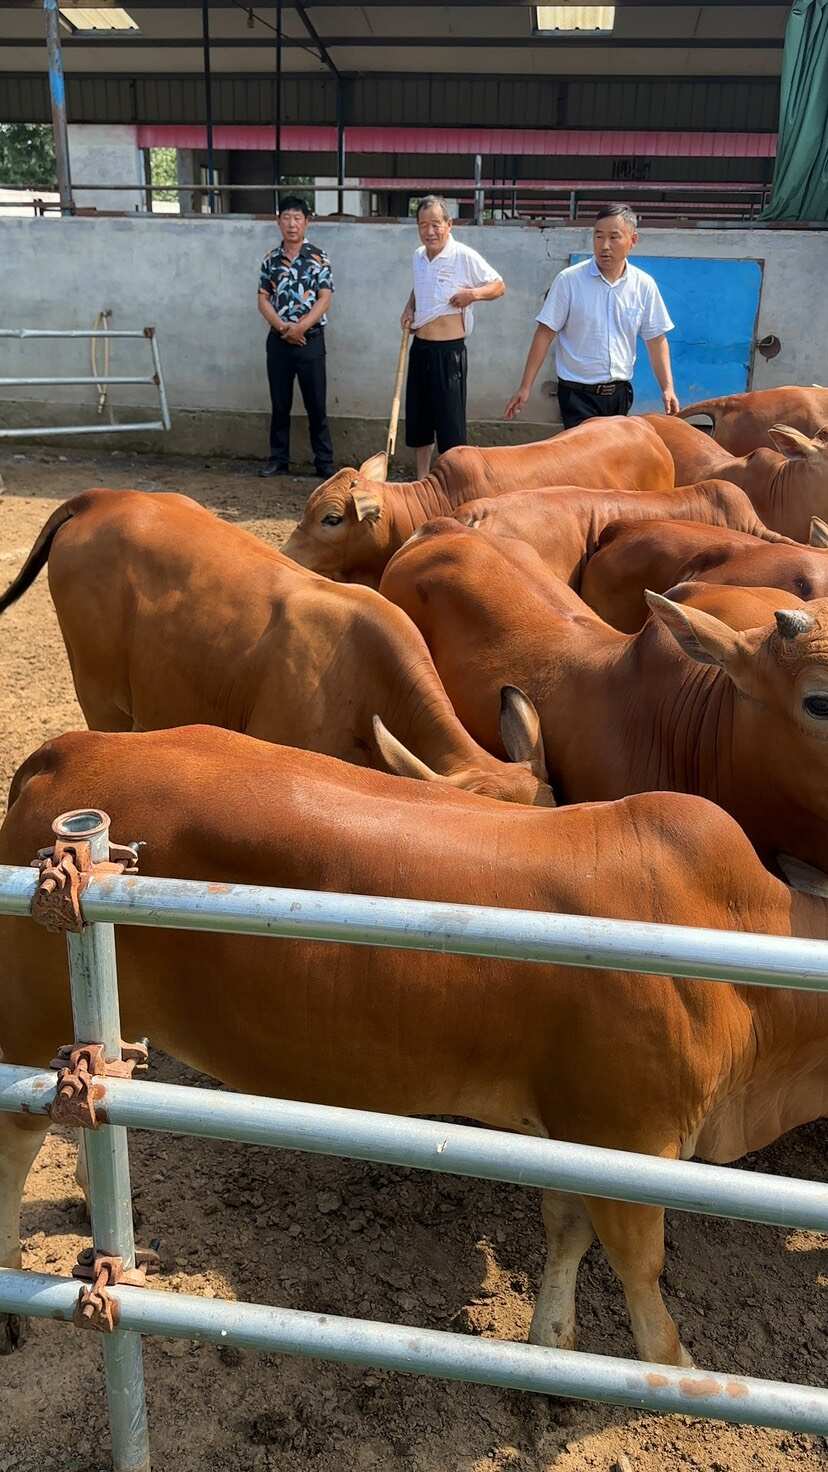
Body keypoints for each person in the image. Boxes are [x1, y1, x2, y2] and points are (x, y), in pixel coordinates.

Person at [504, 203, 679, 431]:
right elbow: (545, 334)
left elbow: (656, 339)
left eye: (614, 237)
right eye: (598, 237)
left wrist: (667, 388)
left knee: (615, 461)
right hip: (578, 396)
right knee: (582, 461)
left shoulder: (643, 285)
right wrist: (525, 387)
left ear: (632, 240)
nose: (604, 246)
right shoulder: (569, 281)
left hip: (619, 395)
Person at [401, 195, 505, 480]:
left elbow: (498, 285)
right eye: (424, 225)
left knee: (450, 423)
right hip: (420, 347)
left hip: (449, 353)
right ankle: (422, 478)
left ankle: (452, 482)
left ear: (449, 225)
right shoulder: (418, 257)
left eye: (436, 224)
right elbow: (419, 287)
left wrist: (473, 294)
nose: (430, 231)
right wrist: (410, 306)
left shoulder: (463, 255)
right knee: (419, 418)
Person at [257, 195, 335, 478]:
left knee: (317, 404)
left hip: (310, 339)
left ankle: (324, 462)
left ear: (307, 222)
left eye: (297, 218)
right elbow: (263, 299)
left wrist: (301, 327)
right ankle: (278, 459)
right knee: (280, 404)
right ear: (279, 222)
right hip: (279, 341)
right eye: (287, 218)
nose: (292, 224)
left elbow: (325, 298)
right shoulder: (270, 260)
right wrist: (283, 329)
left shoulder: (318, 257)